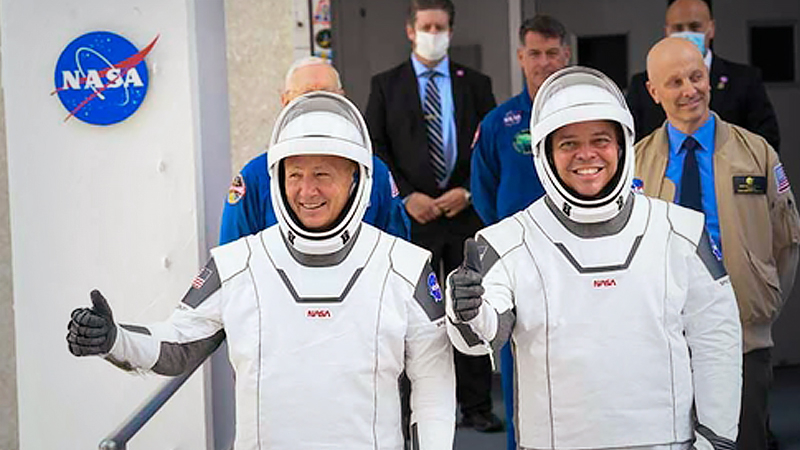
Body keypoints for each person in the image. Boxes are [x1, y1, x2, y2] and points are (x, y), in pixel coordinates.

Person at [66, 92, 456, 450]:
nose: (307, 191)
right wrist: (114, 339)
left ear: (356, 178)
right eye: (295, 175)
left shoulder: (406, 266)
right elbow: (177, 345)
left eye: (323, 174)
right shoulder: (237, 264)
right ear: (276, 178)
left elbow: (434, 381)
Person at [447, 66, 742, 450]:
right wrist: (468, 310)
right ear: (545, 153)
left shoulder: (680, 231)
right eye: (568, 143)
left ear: (622, 144)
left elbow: (717, 340)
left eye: (601, 139)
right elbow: (481, 335)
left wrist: (717, 439)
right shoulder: (508, 240)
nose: (586, 154)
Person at [634, 37, 800, 450]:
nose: (690, 90)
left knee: (745, 440)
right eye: (675, 82)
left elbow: (787, 239)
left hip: (744, 337)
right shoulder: (636, 162)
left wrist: (764, 304)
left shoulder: (755, 152)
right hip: (664, 343)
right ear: (654, 92)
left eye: (697, 77)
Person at [365, 0, 501, 433]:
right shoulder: (386, 85)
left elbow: (488, 146)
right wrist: (405, 197)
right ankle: (409, 411)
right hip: (414, 219)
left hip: (463, 214)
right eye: (426, 26)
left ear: (451, 31)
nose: (433, 33)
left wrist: (467, 190)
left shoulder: (475, 84)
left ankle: (477, 406)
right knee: (415, 315)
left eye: (440, 26)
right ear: (411, 30)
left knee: (468, 305)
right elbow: (376, 149)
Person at [469, 15, 570, 447]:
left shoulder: (585, 117)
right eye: (534, 54)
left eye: (552, 53)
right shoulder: (499, 123)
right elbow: (483, 194)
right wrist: (513, 245)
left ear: (566, 54)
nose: (543, 62)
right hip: (520, 267)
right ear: (520, 57)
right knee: (518, 368)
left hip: (578, 261)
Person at [219, 56, 410, 245]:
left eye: (328, 94)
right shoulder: (255, 176)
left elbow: (398, 248)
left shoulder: (373, 171)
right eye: (307, 94)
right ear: (285, 101)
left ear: (342, 98)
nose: (318, 105)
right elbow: (232, 257)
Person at [626, 0, 780, 152]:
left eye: (694, 27)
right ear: (667, 31)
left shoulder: (745, 79)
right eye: (678, 28)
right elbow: (630, 143)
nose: (686, 34)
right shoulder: (641, 85)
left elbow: (766, 141)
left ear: (711, 28)